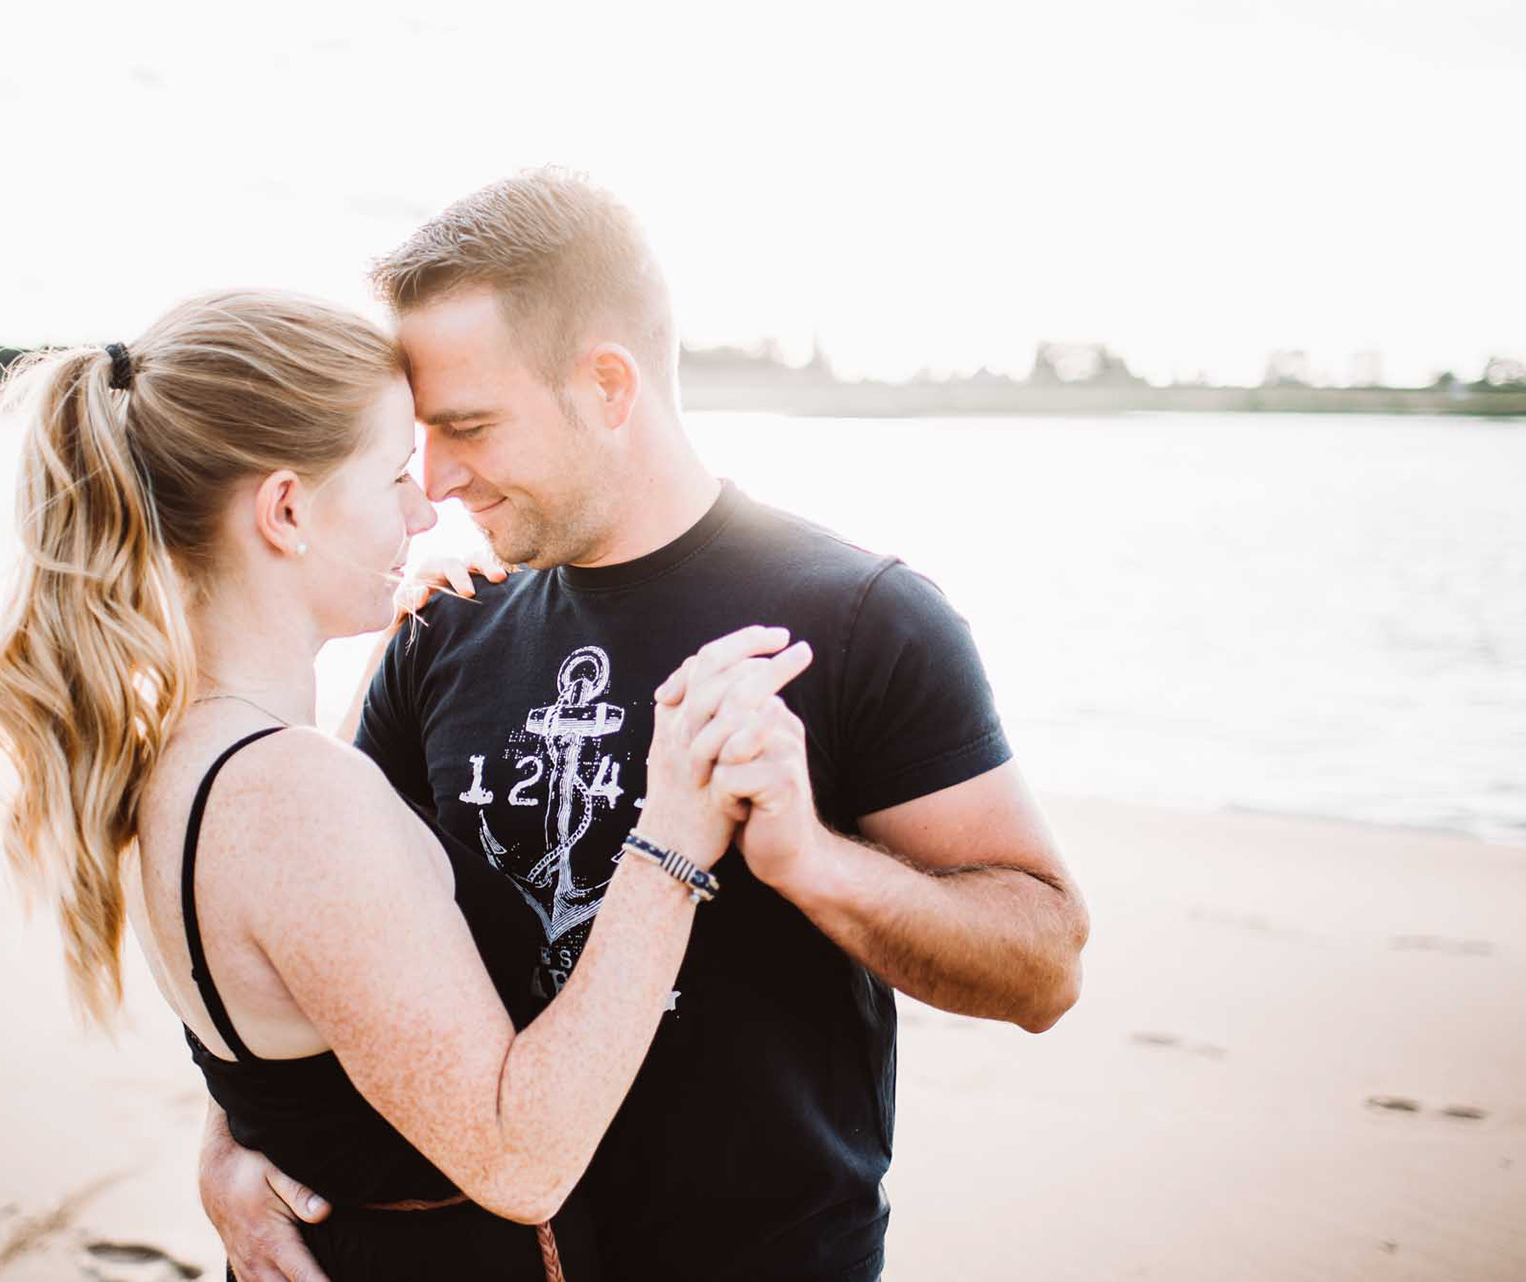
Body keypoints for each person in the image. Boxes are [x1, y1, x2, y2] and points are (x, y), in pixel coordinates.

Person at [200, 172, 1091, 1282]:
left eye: (469, 426)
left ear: (609, 386)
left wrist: (813, 862)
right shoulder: (442, 627)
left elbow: (1045, 965)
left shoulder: (859, 620)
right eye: (420, 435)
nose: (434, 481)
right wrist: (238, 1142)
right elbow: (311, 938)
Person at [0, 287, 822, 1281]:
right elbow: (523, 1162)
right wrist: (674, 829)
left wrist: (387, 672)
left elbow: (322, 977)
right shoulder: (292, 797)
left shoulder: (195, 754)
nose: (427, 509)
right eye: (391, 478)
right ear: (286, 510)